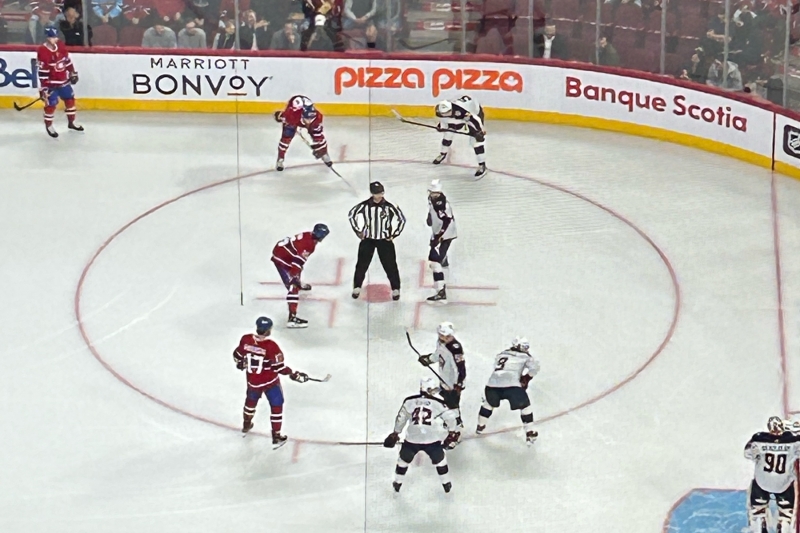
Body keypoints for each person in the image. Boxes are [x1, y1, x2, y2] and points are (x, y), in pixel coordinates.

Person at [232, 317, 310, 449]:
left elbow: (237, 355)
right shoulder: (271, 346)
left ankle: (246, 425)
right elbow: (278, 367)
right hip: (270, 382)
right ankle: (276, 435)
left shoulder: (246, 339)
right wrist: (293, 373)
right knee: (277, 405)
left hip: (253, 382)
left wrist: (240, 364)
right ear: (268, 330)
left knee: (250, 403)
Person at [383, 377, 458, 493]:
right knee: (440, 460)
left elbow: (401, 418)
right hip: (431, 439)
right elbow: (451, 418)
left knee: (403, 460)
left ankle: (397, 483)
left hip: (412, 438)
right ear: (429, 390)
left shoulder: (409, 401)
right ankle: (446, 483)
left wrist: (396, 432)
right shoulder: (438, 404)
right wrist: (452, 431)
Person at [476, 336, 540, 446]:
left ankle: (480, 426)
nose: (526, 349)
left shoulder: (502, 354)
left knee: (488, 404)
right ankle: (530, 432)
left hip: (492, 384)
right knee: (525, 407)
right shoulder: (525, 356)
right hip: (512, 385)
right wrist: (527, 378)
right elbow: (535, 367)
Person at [348, 181, 406, 301]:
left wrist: (394, 234)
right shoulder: (364, 205)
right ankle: (357, 286)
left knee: (390, 265)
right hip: (368, 239)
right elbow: (351, 214)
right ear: (372, 193)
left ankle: (396, 288)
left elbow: (402, 219)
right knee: (362, 265)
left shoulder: (390, 206)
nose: (379, 196)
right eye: (377, 193)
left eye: (381, 193)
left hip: (384, 240)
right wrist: (358, 231)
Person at [744, 417, 800, 533]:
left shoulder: (759, 439)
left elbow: (748, 453)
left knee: (758, 507)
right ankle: (784, 525)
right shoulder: (793, 441)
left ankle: (759, 522)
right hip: (783, 482)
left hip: (763, 481)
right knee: (786, 511)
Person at [270, 223, 330, 328]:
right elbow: (297, 263)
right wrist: (293, 278)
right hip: (282, 258)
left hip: (284, 253)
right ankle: (292, 318)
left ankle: (297, 283)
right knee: (293, 287)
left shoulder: (308, 235)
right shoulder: (309, 245)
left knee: (297, 272)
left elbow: (298, 258)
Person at [417, 321, 465, 449]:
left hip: (453, 383)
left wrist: (459, 384)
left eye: (447, 336)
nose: (444, 338)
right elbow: (438, 354)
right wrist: (429, 359)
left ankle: (457, 431)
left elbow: (461, 368)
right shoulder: (440, 342)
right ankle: (453, 423)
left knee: (453, 406)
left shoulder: (455, 348)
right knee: (447, 402)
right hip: (444, 379)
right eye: (442, 335)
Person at [37, 25, 82, 138]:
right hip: (51, 84)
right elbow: (42, 72)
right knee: (51, 105)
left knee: (70, 100)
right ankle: (49, 126)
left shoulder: (60, 45)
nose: (55, 39)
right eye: (52, 37)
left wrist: (72, 72)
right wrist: (44, 88)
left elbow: (66, 60)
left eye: (56, 37)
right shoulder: (42, 51)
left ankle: (71, 122)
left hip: (63, 81)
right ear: (47, 38)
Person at [273, 95, 336, 172]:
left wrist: (320, 149)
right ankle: (280, 159)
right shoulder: (291, 116)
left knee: (318, 136)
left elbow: (319, 137)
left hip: (300, 115)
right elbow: (279, 116)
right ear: (302, 116)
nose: (309, 122)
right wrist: (279, 117)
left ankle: (325, 154)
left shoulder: (317, 119)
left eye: (311, 119)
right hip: (294, 120)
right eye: (307, 119)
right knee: (286, 138)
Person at [432, 95, 487, 179]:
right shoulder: (442, 111)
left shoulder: (462, 112)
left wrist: (479, 131)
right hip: (458, 117)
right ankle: (443, 154)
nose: (443, 115)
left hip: (474, 114)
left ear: (451, 110)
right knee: (448, 134)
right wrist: (441, 126)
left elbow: (475, 120)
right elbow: (444, 121)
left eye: (445, 113)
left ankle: (482, 165)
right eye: (441, 113)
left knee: (476, 142)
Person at [425, 179, 457, 302]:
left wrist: (439, 237)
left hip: (445, 234)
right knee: (439, 257)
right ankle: (444, 261)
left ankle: (440, 290)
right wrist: (430, 217)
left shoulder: (442, 204)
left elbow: (447, 221)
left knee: (434, 261)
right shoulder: (432, 199)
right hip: (438, 232)